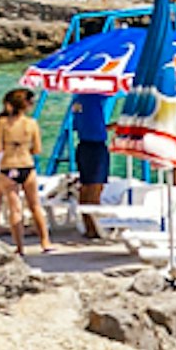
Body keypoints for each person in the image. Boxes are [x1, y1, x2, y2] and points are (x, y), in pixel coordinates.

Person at [0, 87, 52, 253]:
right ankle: (45, 242)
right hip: (26, 165)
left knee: (14, 208)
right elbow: (37, 149)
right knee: (35, 206)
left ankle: (19, 247)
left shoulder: (2, 124)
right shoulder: (32, 124)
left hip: (8, 166)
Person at [69, 90, 112, 239]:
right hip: (95, 146)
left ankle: (89, 226)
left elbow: (82, 124)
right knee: (95, 187)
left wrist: (104, 127)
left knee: (86, 187)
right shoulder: (95, 96)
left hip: (84, 145)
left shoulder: (78, 100)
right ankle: (94, 226)